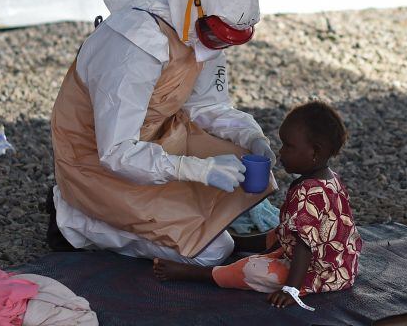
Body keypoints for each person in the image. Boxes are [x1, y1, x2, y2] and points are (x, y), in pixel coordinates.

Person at [46, 0, 276, 267]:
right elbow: (116, 152)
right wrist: (197, 170)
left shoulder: (200, 27)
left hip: (158, 137)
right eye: (216, 35)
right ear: (195, 7)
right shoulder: (135, 44)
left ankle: (174, 215)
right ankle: (74, 221)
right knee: (212, 251)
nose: (219, 46)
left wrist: (252, 137)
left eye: (227, 40)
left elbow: (207, 106)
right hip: (97, 161)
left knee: (246, 163)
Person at [153, 101, 363, 310]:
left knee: (253, 269)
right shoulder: (330, 179)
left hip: (320, 273)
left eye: (288, 146)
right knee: (282, 232)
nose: (281, 152)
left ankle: (196, 273)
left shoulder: (308, 192)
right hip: (343, 265)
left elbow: (304, 246)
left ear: (314, 152)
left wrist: (291, 290)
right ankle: (238, 243)